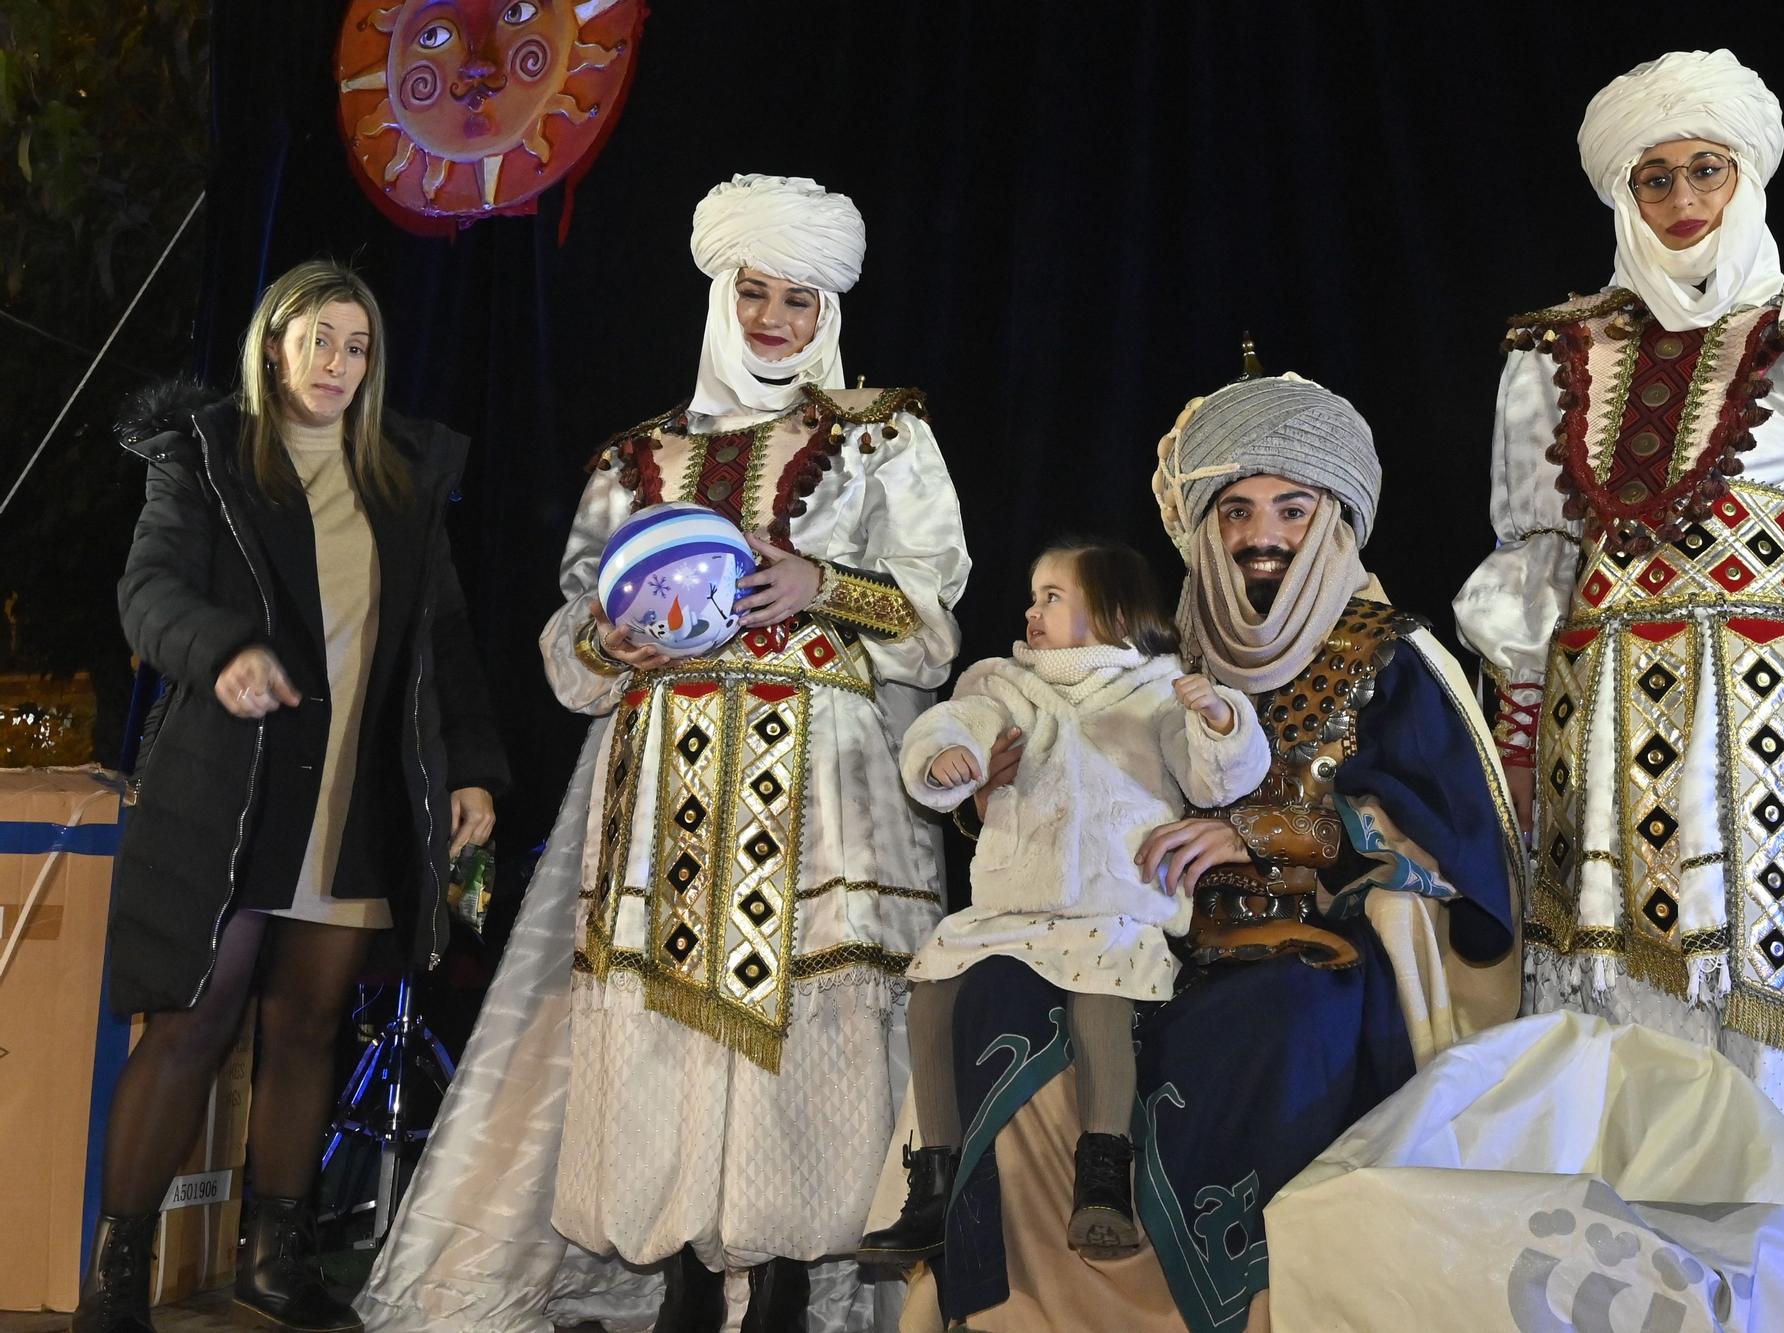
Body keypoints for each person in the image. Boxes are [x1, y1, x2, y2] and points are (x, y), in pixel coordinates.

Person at [357, 174, 969, 1333]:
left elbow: (936, 617)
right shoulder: (635, 458)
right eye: (754, 292)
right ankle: (688, 1277)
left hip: (821, 789)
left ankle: (787, 1284)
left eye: (796, 298)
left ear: (825, 310)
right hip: (663, 781)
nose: (773, 317)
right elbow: (570, 642)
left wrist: (824, 586)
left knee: (808, 1026)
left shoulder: (883, 436)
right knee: (667, 1024)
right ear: (720, 294)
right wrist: (613, 634)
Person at [1452, 48, 1784, 1332]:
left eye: (1703, 169)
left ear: (1744, 175)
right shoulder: (1556, 349)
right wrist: (1518, 739)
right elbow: (1529, 557)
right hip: (1605, 716)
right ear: (1620, 195)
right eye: (1654, 176)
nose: (1682, 197)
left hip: (1781, 718)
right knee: (1614, 1001)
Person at [905, 369, 1519, 1333]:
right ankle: (1023, 1306)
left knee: (1270, 1029)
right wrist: (993, 794)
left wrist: (1262, 831)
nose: (1258, 533)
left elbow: (1458, 852)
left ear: (1335, 517)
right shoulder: (1163, 649)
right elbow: (1077, 785)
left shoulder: (1390, 654)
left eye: (1289, 506)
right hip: (1137, 939)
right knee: (994, 995)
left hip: (1309, 948)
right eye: (1233, 509)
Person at [79, 259, 508, 1333]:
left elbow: (442, 640)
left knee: (310, 1023)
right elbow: (148, 593)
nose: (339, 364)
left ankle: (276, 1261)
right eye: (320, 339)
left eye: (358, 346)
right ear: (274, 344)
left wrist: (470, 768)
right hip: (232, 791)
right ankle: (118, 1277)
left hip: (354, 795)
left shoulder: (401, 477)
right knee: (192, 1018)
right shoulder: (208, 454)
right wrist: (222, 650)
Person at [861, 540, 1268, 1268]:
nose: (1031, 609)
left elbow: (1213, 780)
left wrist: (1219, 721)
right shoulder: (1006, 681)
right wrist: (946, 757)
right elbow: (958, 723)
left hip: (1115, 902)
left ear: (1111, 608)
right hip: (1014, 904)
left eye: (1052, 595)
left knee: (1101, 991)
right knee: (932, 992)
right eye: (1034, 594)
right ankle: (934, 1180)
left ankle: (1104, 1170)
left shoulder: (1158, 687)